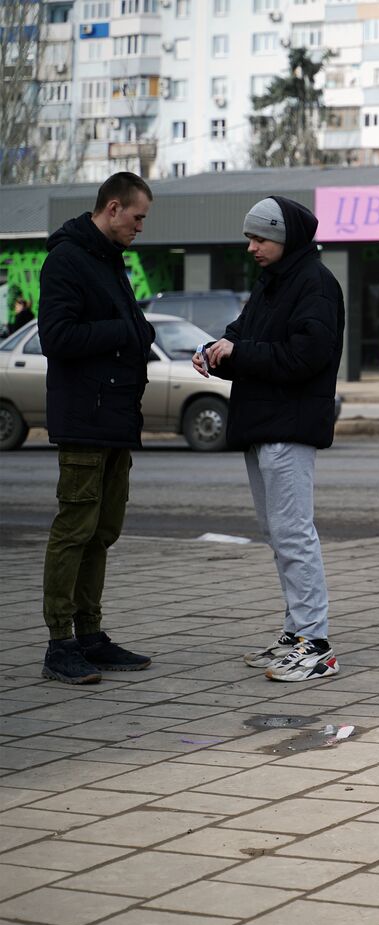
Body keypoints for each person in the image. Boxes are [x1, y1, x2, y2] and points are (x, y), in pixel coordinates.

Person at [194, 197, 345, 683]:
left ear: (287, 239)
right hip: (264, 423)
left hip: (289, 425)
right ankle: (296, 634)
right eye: (249, 238)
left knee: (294, 533)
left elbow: (306, 356)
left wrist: (240, 351)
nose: (252, 247)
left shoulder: (316, 285)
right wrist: (215, 351)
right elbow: (241, 336)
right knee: (279, 533)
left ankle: (316, 644)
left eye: (261, 239)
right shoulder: (273, 283)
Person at [36, 173, 156, 685]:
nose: (140, 228)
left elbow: (124, 326)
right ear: (112, 208)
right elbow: (56, 336)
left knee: (102, 533)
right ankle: (59, 642)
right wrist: (124, 331)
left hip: (114, 420)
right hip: (85, 420)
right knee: (74, 531)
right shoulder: (67, 258)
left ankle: (90, 635)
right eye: (137, 217)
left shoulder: (109, 260)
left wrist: (138, 329)